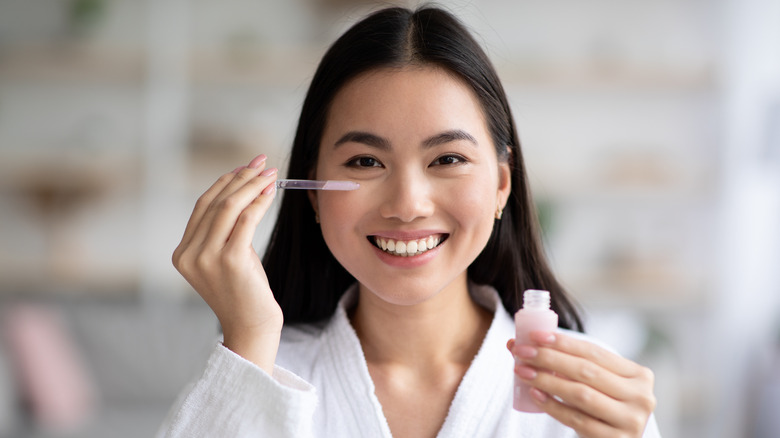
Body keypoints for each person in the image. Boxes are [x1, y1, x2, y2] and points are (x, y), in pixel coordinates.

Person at [160, 5, 660, 438]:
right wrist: (248, 339)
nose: (407, 204)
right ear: (311, 190)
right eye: (365, 162)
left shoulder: (581, 391)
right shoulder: (259, 368)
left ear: (502, 186)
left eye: (446, 160)